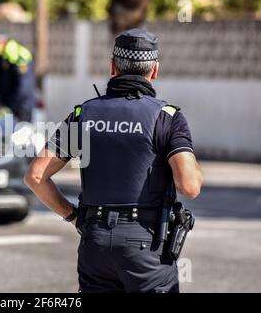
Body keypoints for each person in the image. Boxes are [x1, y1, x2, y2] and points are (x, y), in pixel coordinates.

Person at [24, 28, 203, 293]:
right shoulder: (167, 117)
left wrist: (73, 216)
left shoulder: (83, 114)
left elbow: (36, 176)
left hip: (94, 244)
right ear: (154, 71)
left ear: (112, 66)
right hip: (146, 248)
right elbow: (190, 186)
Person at [0, 31, 36, 122]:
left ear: (1, 42)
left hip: (20, 108)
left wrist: (12, 106)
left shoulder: (17, 54)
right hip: (6, 107)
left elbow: (23, 87)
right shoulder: (2, 57)